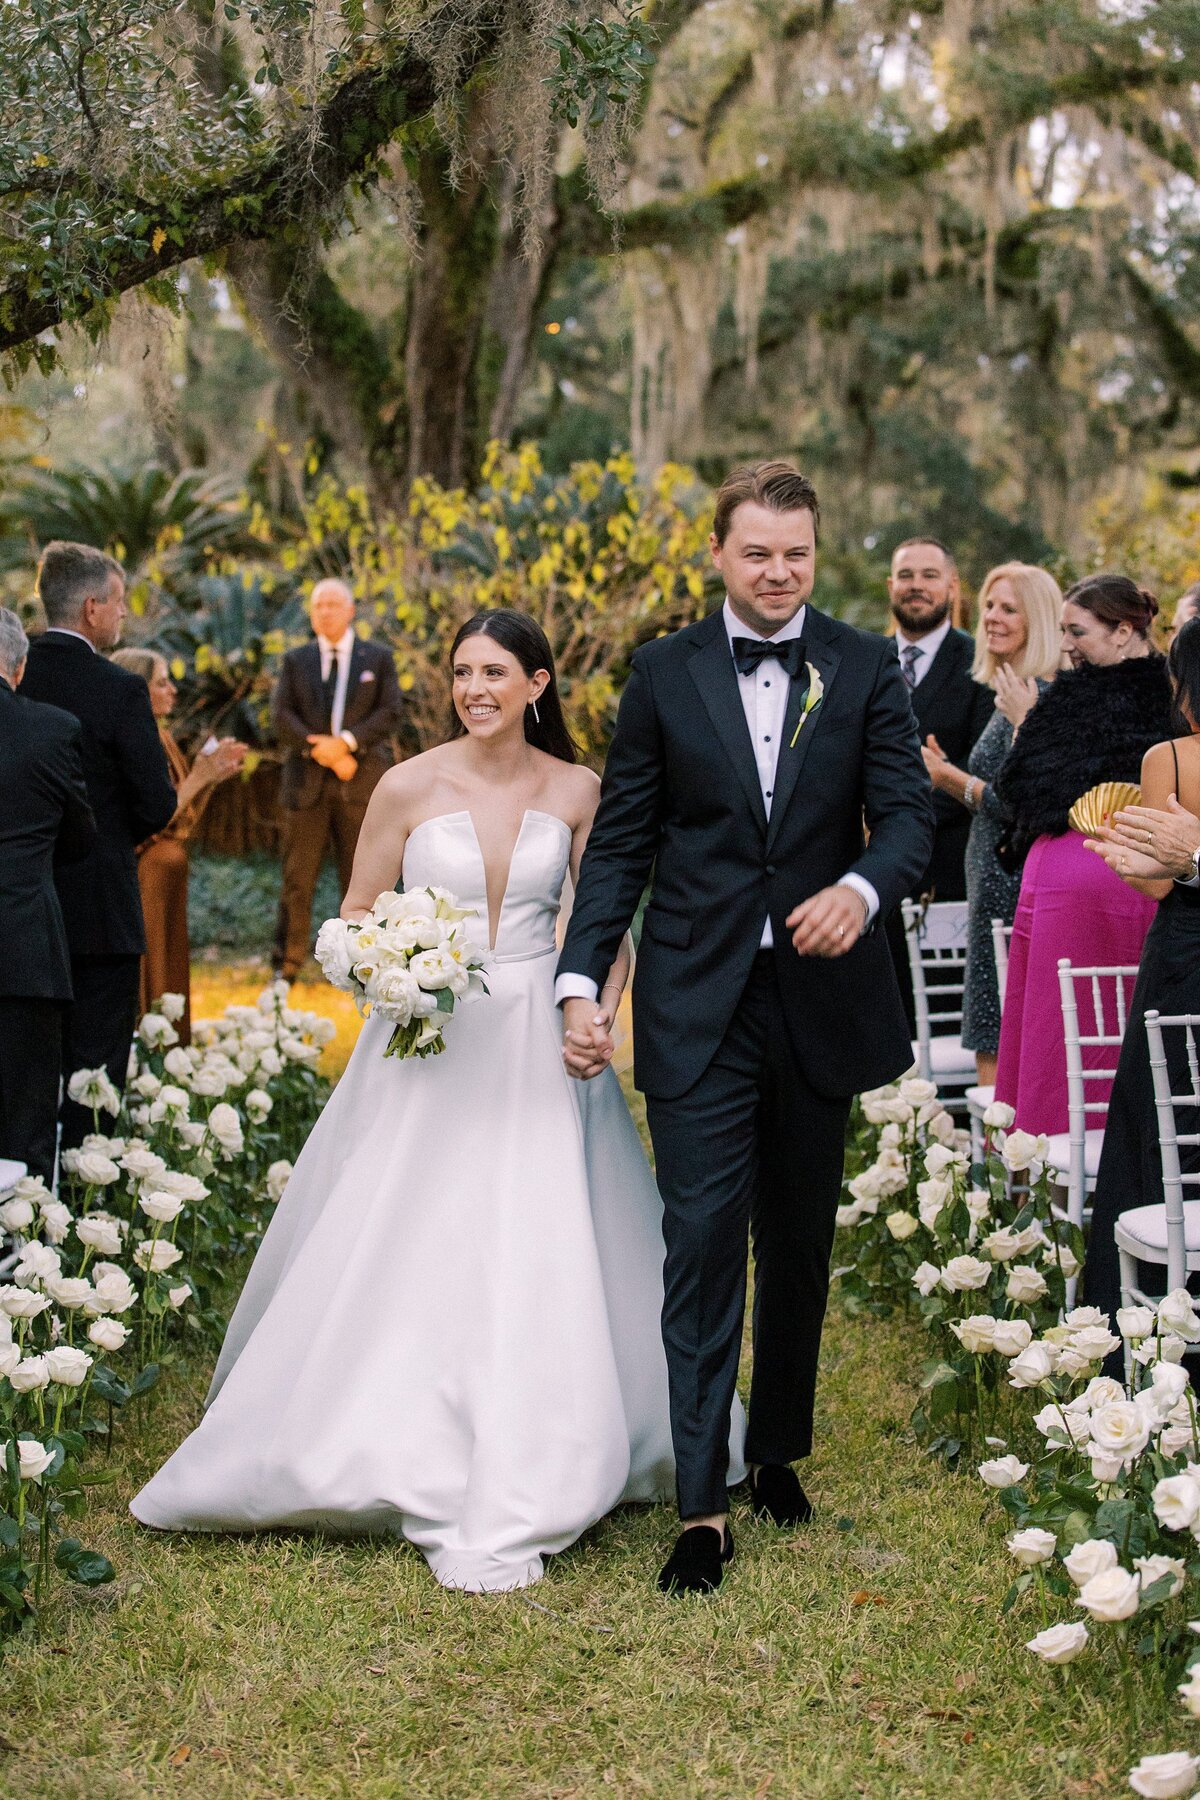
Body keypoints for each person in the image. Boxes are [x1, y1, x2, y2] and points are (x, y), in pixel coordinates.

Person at [131, 609, 745, 1590]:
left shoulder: (580, 789)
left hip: (544, 1043)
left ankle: (568, 1431)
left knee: (544, 1237)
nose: (477, 689)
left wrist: (600, 1009)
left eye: (497, 671)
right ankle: (374, 1427)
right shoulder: (407, 784)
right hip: (430, 1042)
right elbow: (352, 918)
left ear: (539, 684)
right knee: (412, 1228)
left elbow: (606, 919)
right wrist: (394, 969)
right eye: (463, 672)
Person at [557, 461, 935, 1595]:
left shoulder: (864, 666)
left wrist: (860, 891)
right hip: (695, 1001)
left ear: (818, 556)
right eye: (759, 553)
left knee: (799, 1243)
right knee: (705, 1237)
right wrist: (583, 981)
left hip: (820, 1000)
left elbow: (909, 819)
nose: (779, 573)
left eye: (799, 555)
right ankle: (701, 1503)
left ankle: (777, 1451)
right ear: (719, 553)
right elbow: (623, 839)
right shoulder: (663, 672)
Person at [991, 574, 1174, 1135]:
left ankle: (1054, 1159)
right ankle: (1136, 1149)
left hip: (1078, 885)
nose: (1066, 644)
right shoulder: (1174, 692)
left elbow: (1020, 786)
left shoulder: (1070, 698)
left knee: (1059, 1028)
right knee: (1130, 1024)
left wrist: (1026, 723)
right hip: (1145, 875)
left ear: (1123, 631)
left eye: (1077, 631)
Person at [19, 542, 176, 1149]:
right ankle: (91, 1190)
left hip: (21, 903)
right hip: (99, 909)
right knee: (94, 1070)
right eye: (118, 604)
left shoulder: (16, 677)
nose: (122, 618)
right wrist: (107, 841)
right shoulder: (118, 690)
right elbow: (156, 805)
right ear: (90, 608)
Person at [1081, 618, 1200, 1330]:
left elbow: (1161, 882)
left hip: (1186, 956)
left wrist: (1120, 855)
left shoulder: (1171, 760)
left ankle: (1146, 1313)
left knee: (1159, 1118)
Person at [918, 564, 1063, 1084]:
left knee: (1000, 1033)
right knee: (993, 1031)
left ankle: (1003, 1160)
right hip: (991, 883)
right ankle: (996, 1159)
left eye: (1008, 608)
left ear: (1039, 618)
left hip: (1011, 882)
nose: (993, 618)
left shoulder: (1042, 696)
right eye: (988, 606)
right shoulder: (1012, 690)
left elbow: (1023, 800)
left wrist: (948, 776)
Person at [0, 608, 95, 1183]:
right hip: (24, 945)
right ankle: (26, 1259)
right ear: (18, 666)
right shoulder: (52, 729)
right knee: (26, 1120)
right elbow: (81, 837)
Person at [883, 538, 993, 1029]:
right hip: (875, 876)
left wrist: (933, 785)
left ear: (952, 586)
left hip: (950, 872)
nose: (916, 587)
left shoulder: (982, 664)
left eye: (929, 575)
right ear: (891, 586)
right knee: (888, 1014)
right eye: (906, 576)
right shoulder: (868, 661)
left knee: (949, 1017)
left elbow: (987, 775)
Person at [271, 579, 404, 980]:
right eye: (317, 606)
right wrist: (321, 751)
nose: (324, 612)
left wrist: (347, 744)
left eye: (332, 604)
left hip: (359, 783)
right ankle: (287, 964)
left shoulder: (377, 659)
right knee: (297, 878)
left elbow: (391, 712)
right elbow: (281, 716)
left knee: (362, 878)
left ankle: (366, 964)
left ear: (350, 611)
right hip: (305, 786)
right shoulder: (296, 660)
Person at [111, 649, 247, 1043]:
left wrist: (210, 776)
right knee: (151, 964)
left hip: (169, 875)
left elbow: (180, 817)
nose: (172, 689)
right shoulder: (129, 740)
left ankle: (172, 1041)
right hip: (146, 875)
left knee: (170, 962)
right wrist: (199, 776)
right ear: (137, 689)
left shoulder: (163, 736)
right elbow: (150, 818)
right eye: (161, 681)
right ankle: (151, 1038)